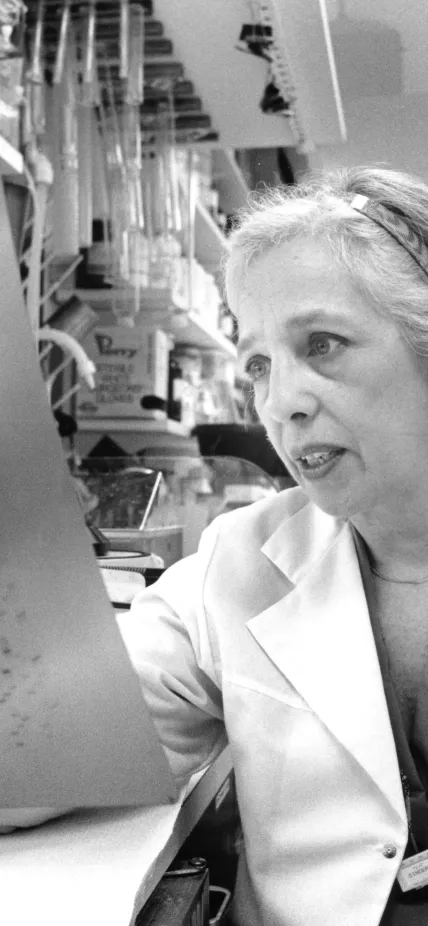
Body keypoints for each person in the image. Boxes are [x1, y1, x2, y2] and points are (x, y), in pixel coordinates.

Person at [118, 166, 428, 926]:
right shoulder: (241, 559)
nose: (280, 403)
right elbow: (59, 749)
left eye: (323, 344)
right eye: (258, 365)